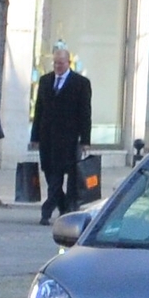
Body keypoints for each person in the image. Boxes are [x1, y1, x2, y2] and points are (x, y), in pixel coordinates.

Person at [32, 42, 92, 224]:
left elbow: (85, 112)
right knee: (50, 173)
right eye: (55, 63)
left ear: (68, 63)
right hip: (47, 137)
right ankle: (65, 206)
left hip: (69, 137)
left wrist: (85, 139)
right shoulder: (45, 81)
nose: (58, 66)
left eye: (61, 63)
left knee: (63, 174)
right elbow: (39, 110)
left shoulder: (80, 83)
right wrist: (34, 136)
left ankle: (47, 210)